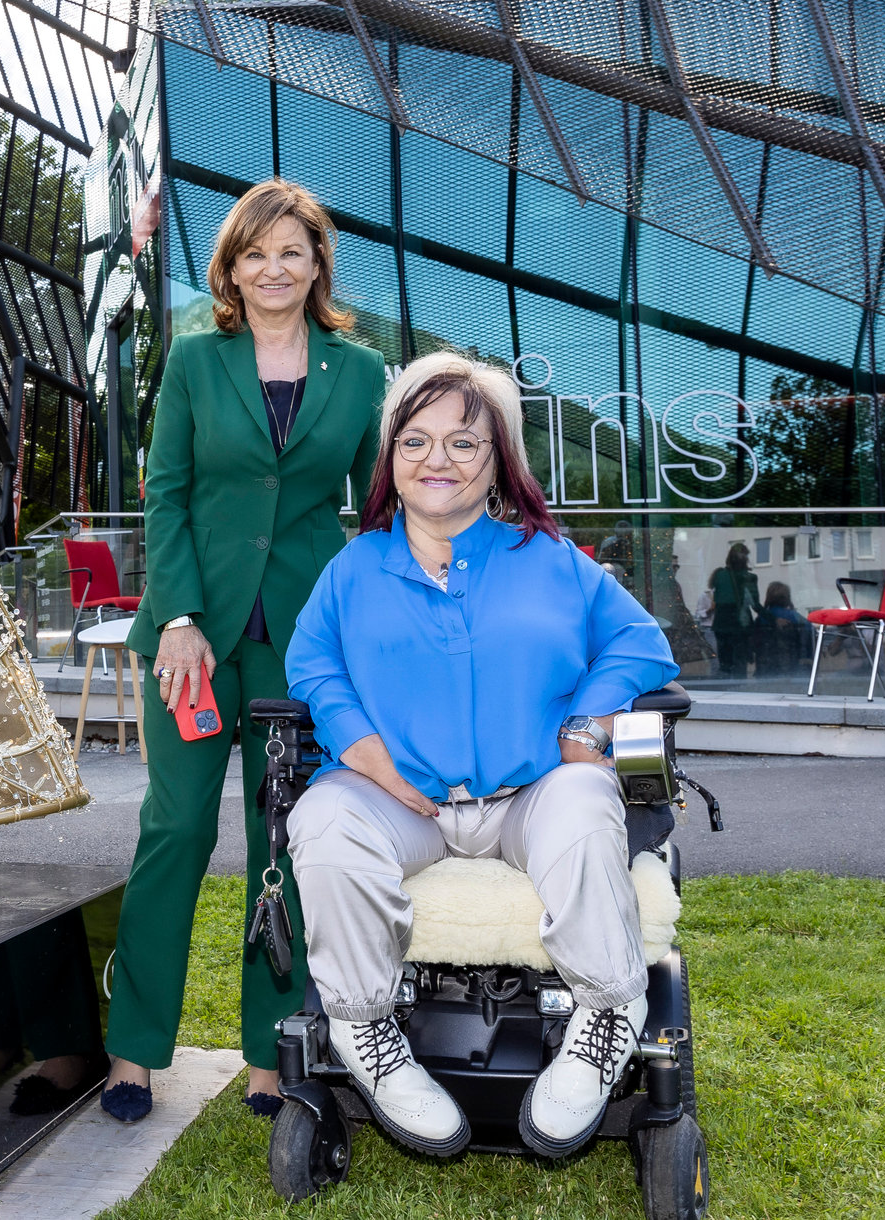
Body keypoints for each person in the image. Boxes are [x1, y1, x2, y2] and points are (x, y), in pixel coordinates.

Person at [283, 352, 678, 1159]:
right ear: (391, 459)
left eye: (463, 443)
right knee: (322, 818)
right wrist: (364, 752)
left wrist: (587, 727)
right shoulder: (354, 569)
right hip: (402, 802)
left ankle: (608, 1011)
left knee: (585, 797)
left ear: (498, 461)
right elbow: (312, 665)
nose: (437, 460)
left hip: (528, 795)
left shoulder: (550, 559)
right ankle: (365, 1029)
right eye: (415, 441)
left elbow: (639, 644)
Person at [102, 179, 385, 1123]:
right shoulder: (194, 361)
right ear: (230, 267)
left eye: (291, 252)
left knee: (286, 838)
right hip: (193, 641)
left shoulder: (361, 373)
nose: (273, 269)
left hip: (299, 642)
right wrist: (178, 615)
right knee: (176, 830)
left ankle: (272, 1052)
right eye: (255, 253)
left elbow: (378, 511)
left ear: (317, 265)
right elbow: (166, 494)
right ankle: (134, 1049)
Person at [708, 544, 760, 679]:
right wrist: (772, 618)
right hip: (740, 626)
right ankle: (738, 688)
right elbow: (755, 605)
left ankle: (726, 687)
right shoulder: (749, 577)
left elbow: (719, 600)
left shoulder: (719, 575)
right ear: (746, 558)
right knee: (740, 665)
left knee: (725, 665)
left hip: (721, 626)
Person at [755, 580, 807, 676]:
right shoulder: (794, 616)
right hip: (790, 665)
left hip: (765, 667)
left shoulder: (762, 618)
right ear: (787, 598)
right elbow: (809, 631)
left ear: (768, 598)